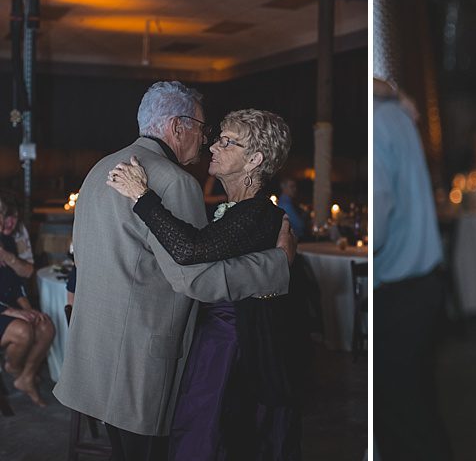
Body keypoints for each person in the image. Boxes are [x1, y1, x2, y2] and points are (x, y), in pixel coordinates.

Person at [54, 81, 295, 460]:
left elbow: (82, 260)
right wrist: (276, 265)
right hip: (141, 362)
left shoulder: (101, 168)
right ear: (178, 127)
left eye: (223, 139)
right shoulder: (174, 181)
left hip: (95, 354)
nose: (206, 142)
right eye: (202, 128)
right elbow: (192, 277)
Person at [107, 109, 305, 459]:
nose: (213, 145)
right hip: (217, 339)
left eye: (227, 142)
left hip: (233, 349)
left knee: (208, 436)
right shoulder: (235, 209)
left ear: (255, 159)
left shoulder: (258, 212)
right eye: (218, 138)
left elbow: (189, 250)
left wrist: (142, 195)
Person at [372, 78, 452, 460]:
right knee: (417, 413)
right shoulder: (396, 114)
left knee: (402, 422)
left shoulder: (377, 120)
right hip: (420, 286)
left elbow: (376, 229)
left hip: (396, 294)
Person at [0, 195, 53, 406]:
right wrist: (13, 312)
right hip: (3, 311)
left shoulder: (8, 241)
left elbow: (16, 285)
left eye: (2, 214)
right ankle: (14, 367)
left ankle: (26, 377)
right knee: (24, 330)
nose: (4, 221)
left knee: (45, 325)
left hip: (8, 307)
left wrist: (31, 310)